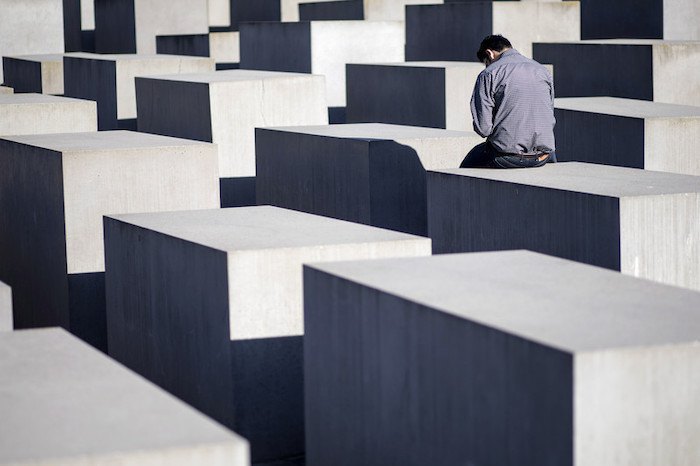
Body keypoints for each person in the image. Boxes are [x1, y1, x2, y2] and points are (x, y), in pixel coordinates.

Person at [462, 35, 556, 168]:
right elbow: (549, 113)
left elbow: (483, 129)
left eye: (486, 62)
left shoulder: (489, 73)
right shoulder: (542, 70)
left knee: (468, 165)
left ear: (489, 53)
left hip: (508, 157)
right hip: (544, 156)